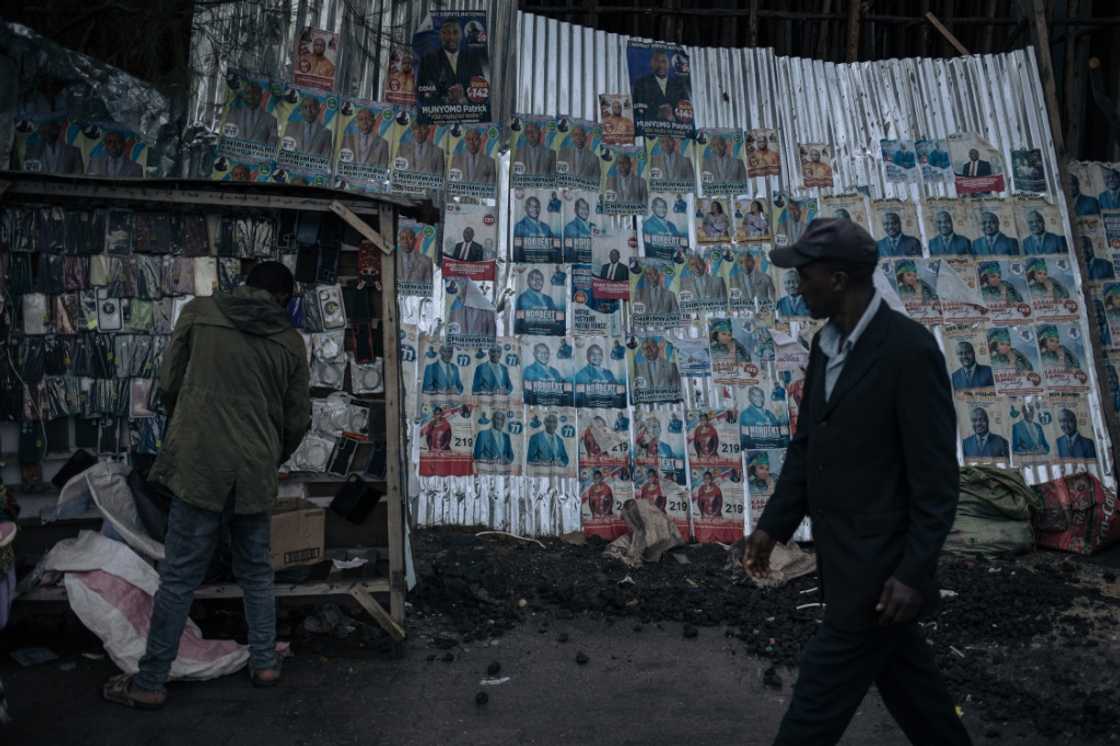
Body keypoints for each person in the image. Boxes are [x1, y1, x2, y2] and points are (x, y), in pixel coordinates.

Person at [743, 217, 972, 746]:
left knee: (812, 713)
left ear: (840, 279)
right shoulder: (827, 348)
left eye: (806, 275)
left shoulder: (909, 352)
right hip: (844, 560)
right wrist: (772, 527)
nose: (798, 286)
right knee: (920, 702)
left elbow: (936, 480)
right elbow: (808, 448)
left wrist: (913, 573)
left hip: (878, 576)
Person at [102, 262, 310, 709]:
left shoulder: (200, 312)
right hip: (252, 469)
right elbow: (297, 420)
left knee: (178, 578)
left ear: (245, 285)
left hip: (199, 466)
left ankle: (151, 682)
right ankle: (265, 663)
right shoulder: (291, 342)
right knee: (255, 571)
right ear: (285, 300)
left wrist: (193, 421)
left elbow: (169, 383)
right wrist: (269, 454)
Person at [417, 18, 485, 107]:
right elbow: (422, 92)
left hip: (468, 115)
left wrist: (464, 99)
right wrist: (445, 100)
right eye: (447, 33)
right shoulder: (428, 60)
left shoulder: (472, 59)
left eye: (455, 32)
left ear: (461, 35)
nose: (451, 37)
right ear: (441, 35)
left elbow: (481, 90)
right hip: (438, 116)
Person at [631, 50, 690, 124]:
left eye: (663, 61)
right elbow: (635, 110)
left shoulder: (679, 85)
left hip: (675, 130)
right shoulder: (641, 84)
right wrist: (657, 113)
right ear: (651, 64)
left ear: (669, 64)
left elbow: (688, 111)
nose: (661, 65)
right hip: (650, 131)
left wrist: (673, 117)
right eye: (657, 61)